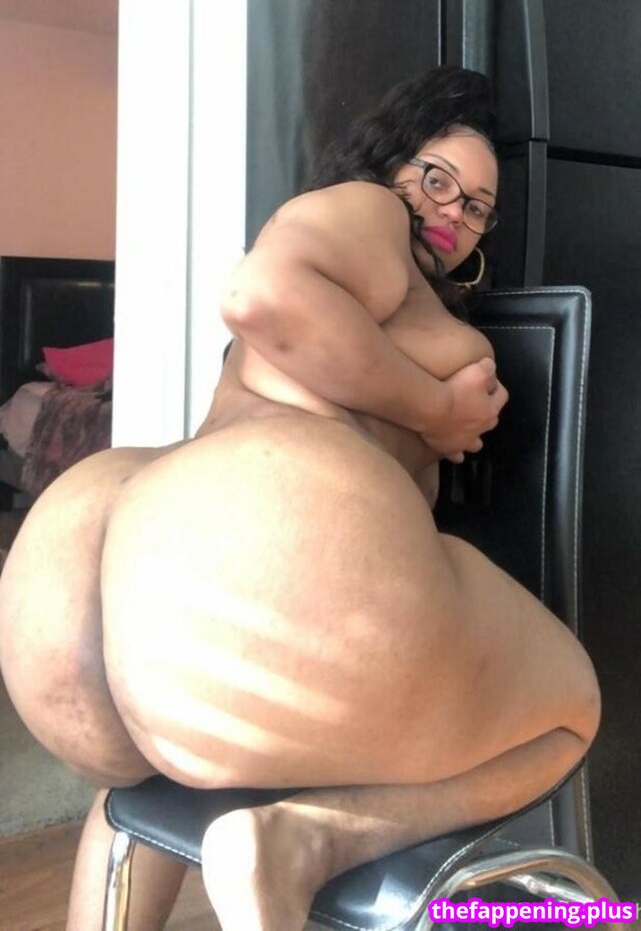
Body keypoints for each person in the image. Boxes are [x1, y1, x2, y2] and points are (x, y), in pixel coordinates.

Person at [0, 67, 600, 931]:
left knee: (146, 796)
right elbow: (260, 294)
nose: (452, 211)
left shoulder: (386, 282)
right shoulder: (369, 210)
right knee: (570, 707)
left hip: (109, 554)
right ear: (389, 163)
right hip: (259, 540)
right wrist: (437, 405)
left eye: (477, 206)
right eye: (436, 178)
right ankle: (309, 841)